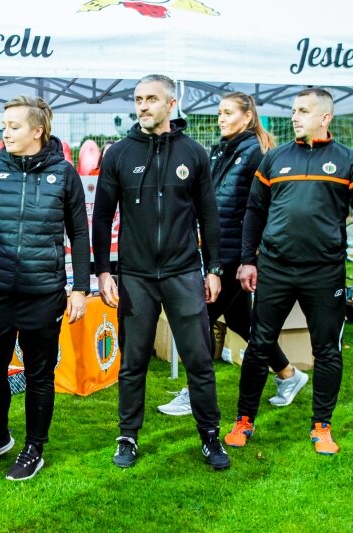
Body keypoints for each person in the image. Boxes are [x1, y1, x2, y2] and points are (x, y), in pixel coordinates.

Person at [224, 88, 353, 454]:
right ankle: (244, 420)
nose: (294, 116)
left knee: (327, 350)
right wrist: (248, 260)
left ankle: (321, 426)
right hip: (275, 269)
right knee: (259, 346)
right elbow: (254, 211)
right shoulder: (275, 159)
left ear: (325, 117)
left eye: (303, 111)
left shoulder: (349, 161)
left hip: (324, 274)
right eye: (294, 110)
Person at [92, 74, 229, 471]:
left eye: (151, 99)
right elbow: (101, 217)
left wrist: (214, 268)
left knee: (199, 360)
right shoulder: (118, 154)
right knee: (132, 363)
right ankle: (128, 436)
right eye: (138, 99)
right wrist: (104, 272)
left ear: (171, 104)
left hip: (183, 272)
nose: (143, 106)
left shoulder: (194, 153)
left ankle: (210, 435)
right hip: (135, 276)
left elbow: (209, 215)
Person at [0, 95, 90, 482]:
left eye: (14, 127)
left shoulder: (65, 174)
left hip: (43, 293)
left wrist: (80, 288)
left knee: (39, 374)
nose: (5, 133)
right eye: (4, 126)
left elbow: (79, 234)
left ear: (38, 131)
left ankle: (35, 447)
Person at [157, 92, 308, 417]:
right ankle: (289, 375)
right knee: (242, 321)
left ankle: (195, 393)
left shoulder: (256, 153)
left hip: (236, 255)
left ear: (247, 116)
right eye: (219, 113)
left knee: (200, 319)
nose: (221, 119)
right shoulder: (223, 150)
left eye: (227, 113)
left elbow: (263, 207)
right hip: (218, 248)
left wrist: (251, 255)